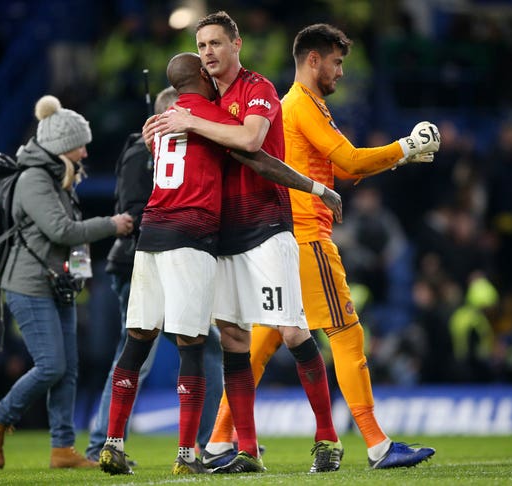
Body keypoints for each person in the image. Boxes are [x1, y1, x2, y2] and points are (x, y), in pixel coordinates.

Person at [206, 23, 441, 470]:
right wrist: (405, 145)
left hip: (284, 239)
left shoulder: (298, 105)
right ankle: (377, 444)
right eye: (336, 62)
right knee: (347, 336)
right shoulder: (301, 103)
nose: (340, 72)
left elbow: (343, 171)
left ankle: (219, 441)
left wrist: (400, 156)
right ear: (313, 60)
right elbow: (350, 159)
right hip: (308, 239)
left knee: (259, 345)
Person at [150, 11, 343, 474]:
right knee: (234, 338)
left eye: (216, 43)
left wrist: (189, 124)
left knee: (292, 330)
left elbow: (253, 142)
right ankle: (248, 450)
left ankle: (327, 439)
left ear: (237, 44)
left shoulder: (257, 90)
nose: (209, 53)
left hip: (266, 230)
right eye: (202, 46)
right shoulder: (199, 101)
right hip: (220, 236)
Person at [0, 94, 134, 469]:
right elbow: (61, 230)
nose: (86, 153)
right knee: (51, 366)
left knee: (69, 369)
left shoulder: (61, 179)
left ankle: (62, 449)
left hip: (56, 286)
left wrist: (77, 278)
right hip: (27, 286)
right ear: (63, 146)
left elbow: (70, 239)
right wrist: (113, 224)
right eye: (81, 145)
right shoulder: (33, 180)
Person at [98, 52, 234, 476]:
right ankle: (186, 455)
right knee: (192, 346)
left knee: (136, 341)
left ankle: (112, 444)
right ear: (198, 77)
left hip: (150, 238)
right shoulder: (209, 118)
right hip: (189, 237)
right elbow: (245, 145)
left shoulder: (156, 126)